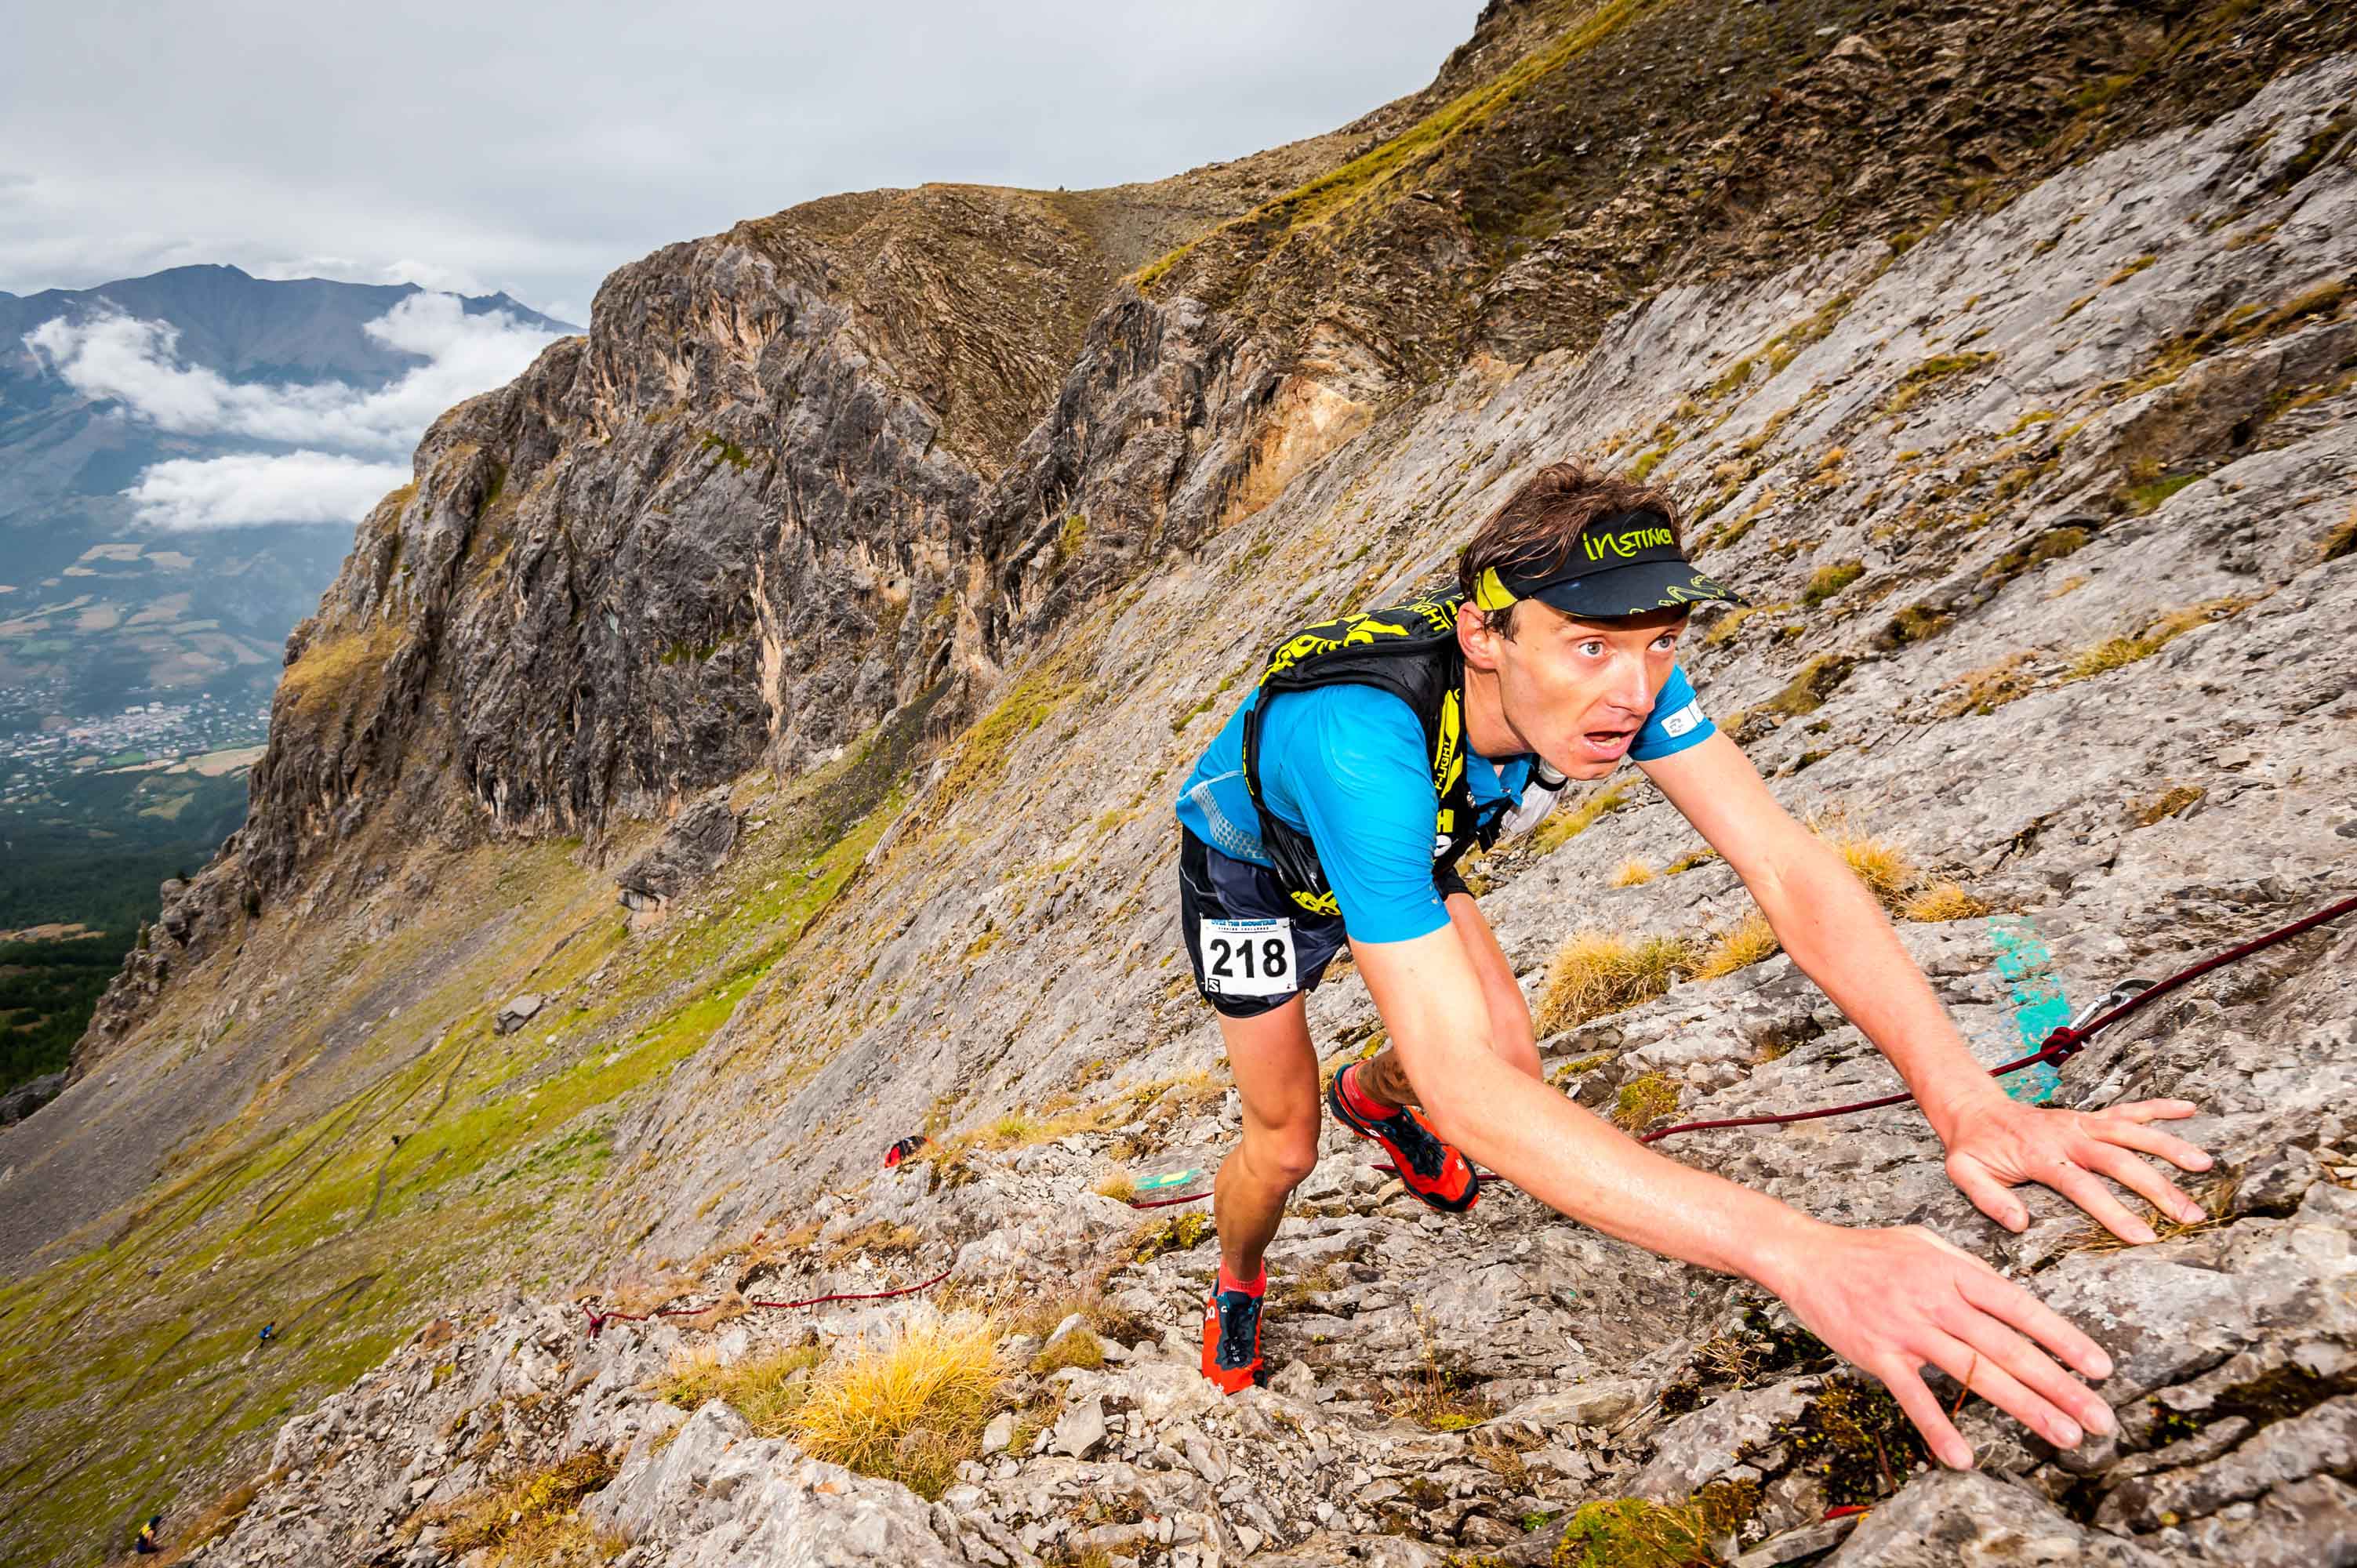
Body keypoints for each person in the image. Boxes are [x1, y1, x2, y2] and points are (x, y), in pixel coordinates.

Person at [1170, 460, 2215, 1468]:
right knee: (1286, 1144)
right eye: (1590, 650)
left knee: (1505, 1063)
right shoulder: (1360, 738)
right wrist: (1799, 1253)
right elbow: (1465, 1091)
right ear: (1483, 636)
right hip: (1260, 877)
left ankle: (1373, 1093)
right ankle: (1238, 1280)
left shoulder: (1619, 670)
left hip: (1408, 847)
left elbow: (1787, 867)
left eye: (1662, 642)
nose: (1634, 688)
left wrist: (1966, 1102)